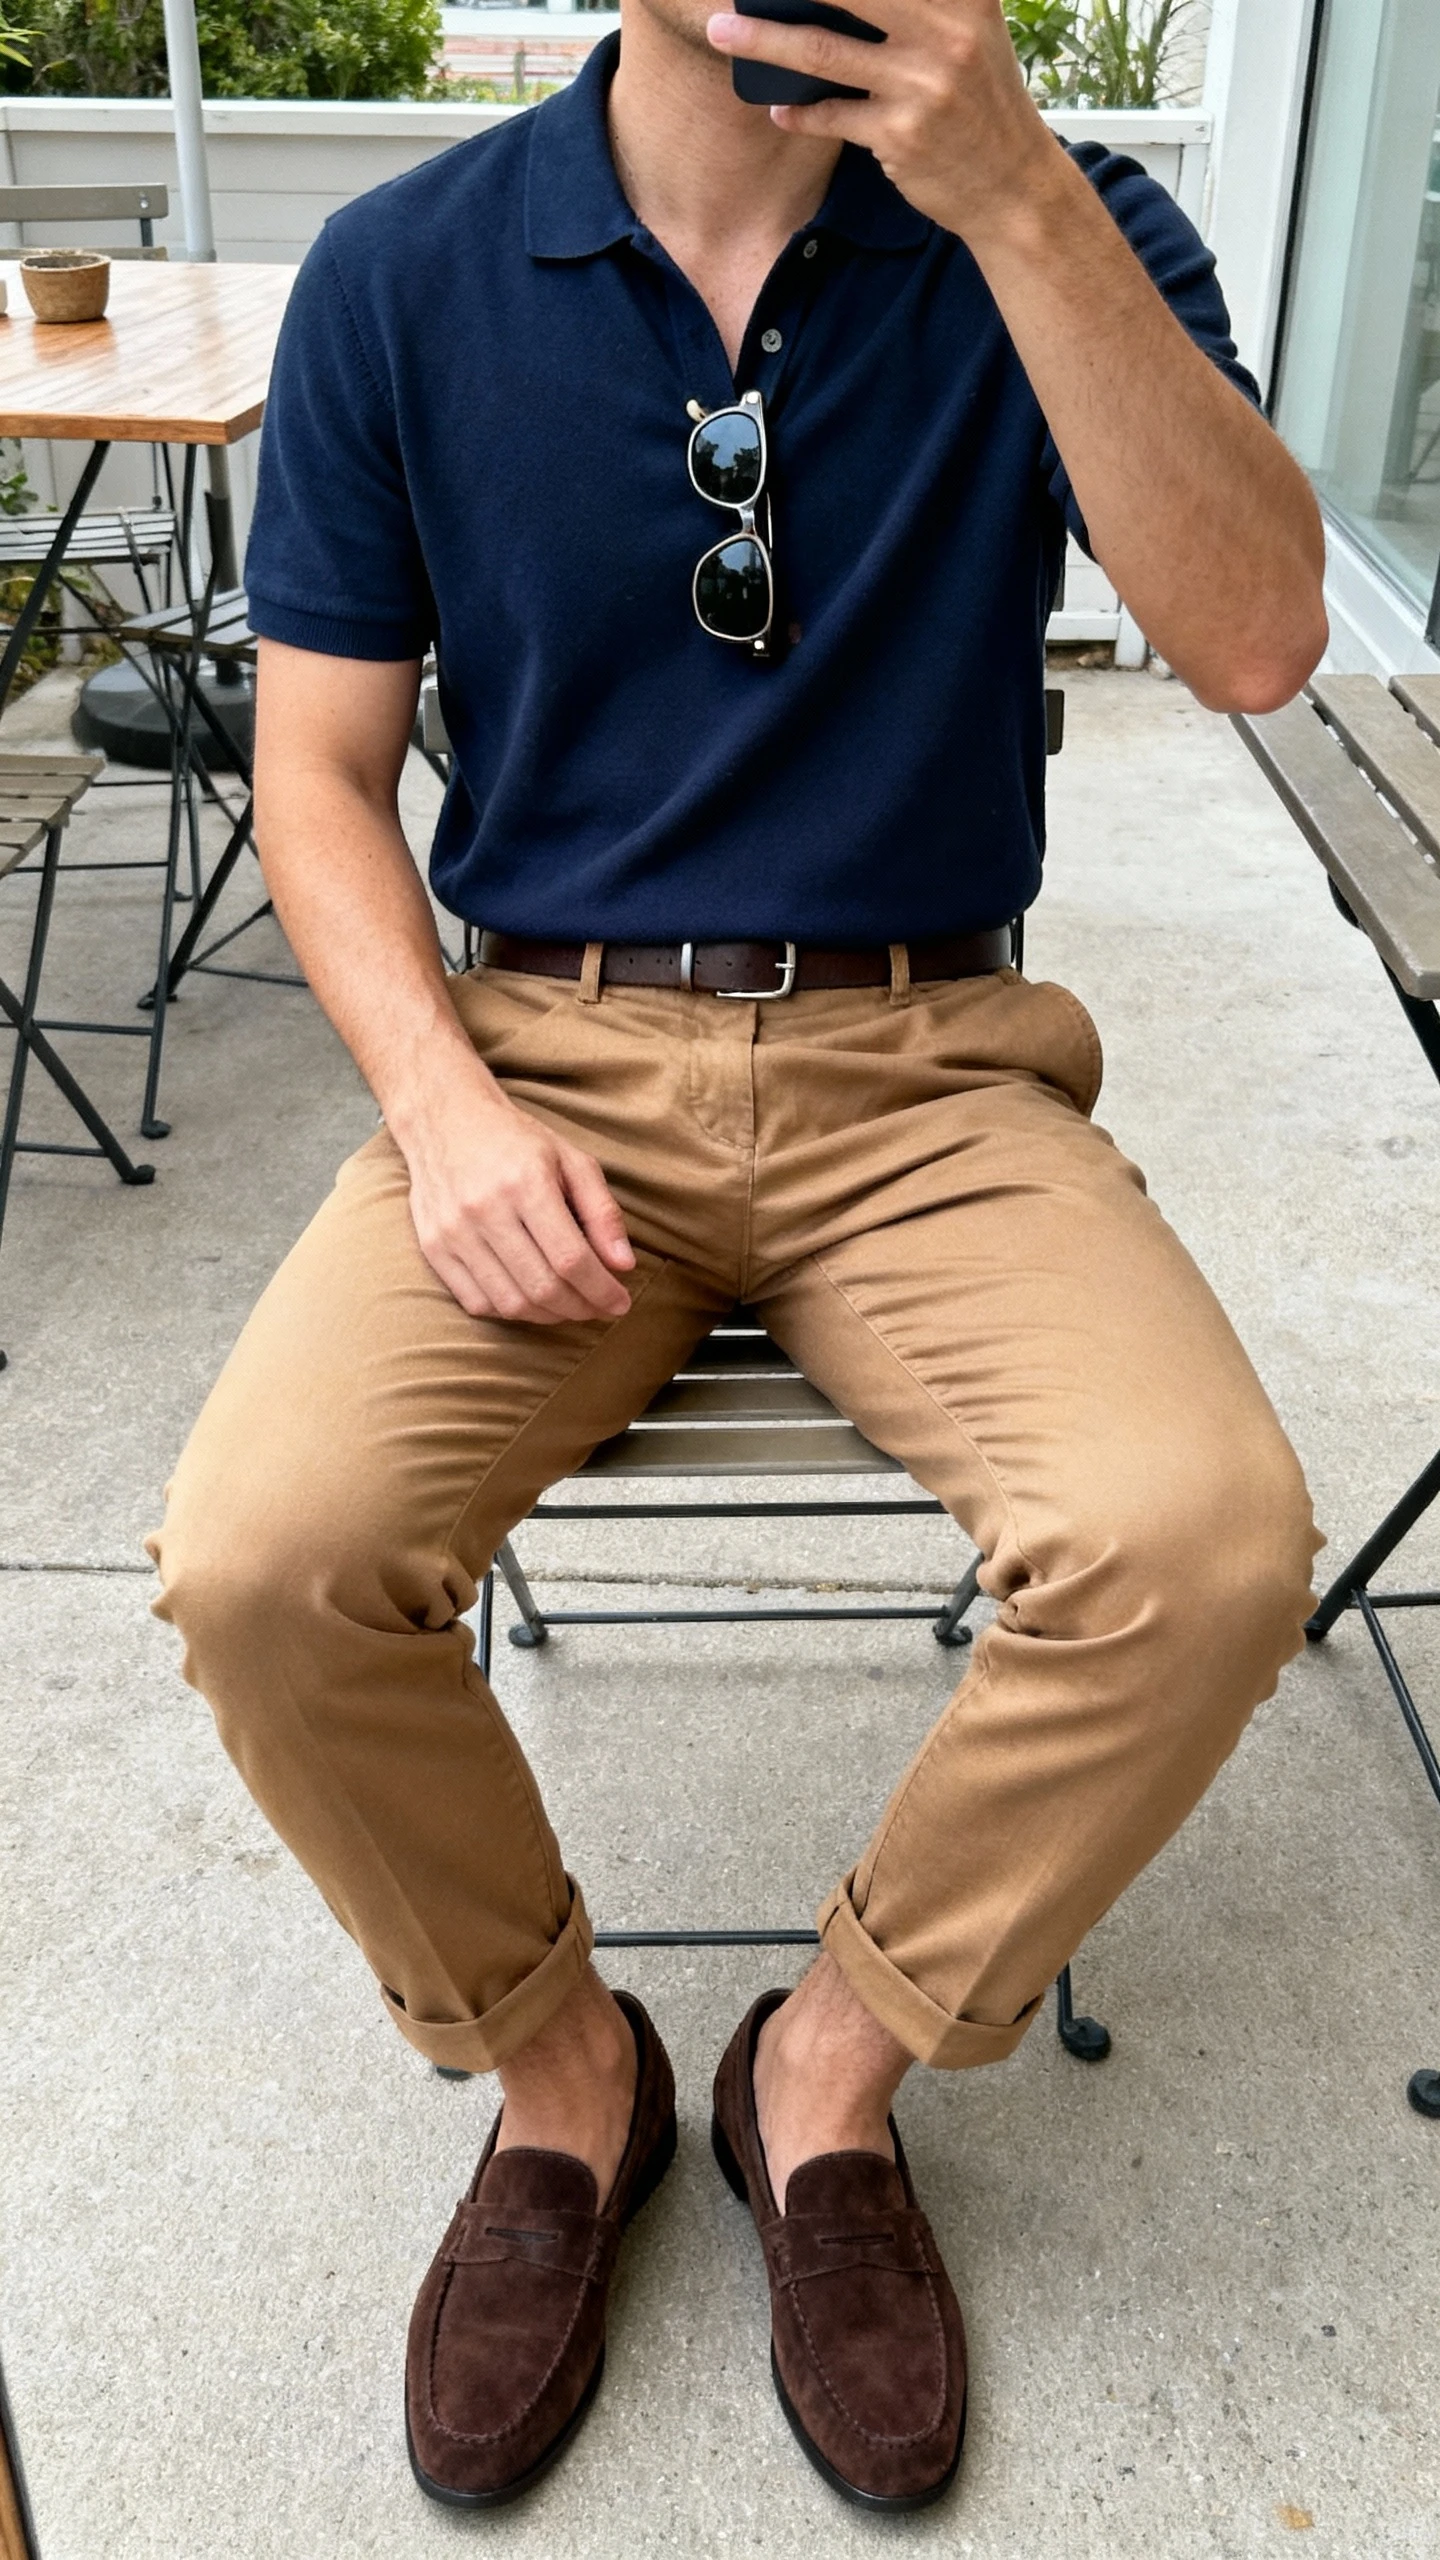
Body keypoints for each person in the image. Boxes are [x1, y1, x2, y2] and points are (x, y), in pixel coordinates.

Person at [147, 0, 1328, 2515]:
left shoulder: (1077, 228)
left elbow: (1252, 639)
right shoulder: (407, 271)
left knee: (1198, 1543)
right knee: (264, 1557)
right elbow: (323, 773)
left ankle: (830, 2066)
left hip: (928, 1062)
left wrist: (1012, 198)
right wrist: (441, 1104)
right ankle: (566, 2074)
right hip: (544, 1059)